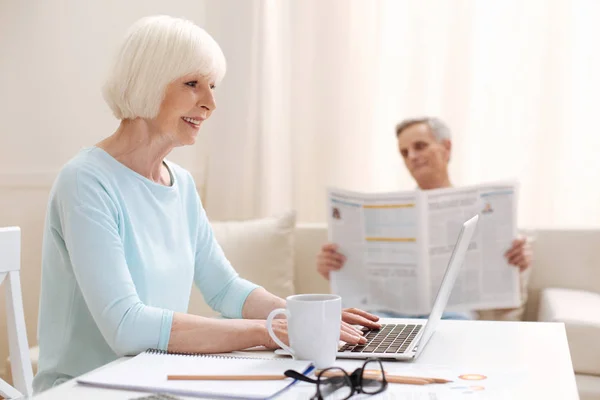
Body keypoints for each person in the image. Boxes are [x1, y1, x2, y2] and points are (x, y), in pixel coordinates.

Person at [33, 15, 380, 393]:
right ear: (147, 81)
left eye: (212, 86)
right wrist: (271, 330)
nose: (211, 103)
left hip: (155, 384)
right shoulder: (85, 180)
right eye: (192, 84)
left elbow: (225, 288)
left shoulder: (179, 183)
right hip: (87, 389)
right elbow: (126, 327)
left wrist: (305, 318)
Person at [317, 117, 532, 319]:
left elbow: (505, 308)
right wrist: (337, 272)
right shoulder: (386, 212)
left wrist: (517, 269)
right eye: (404, 152)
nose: (411, 156)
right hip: (389, 317)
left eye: (420, 146)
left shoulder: (482, 213)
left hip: (451, 319)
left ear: (446, 148)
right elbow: (359, 297)